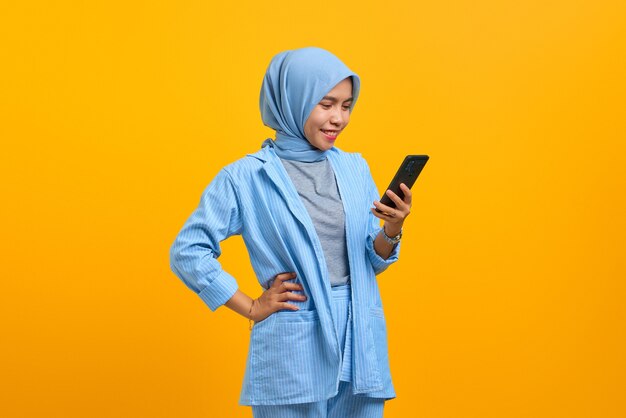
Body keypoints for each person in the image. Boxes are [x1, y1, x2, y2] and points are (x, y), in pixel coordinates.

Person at [170, 46, 412, 418]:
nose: (338, 119)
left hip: (360, 338)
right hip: (293, 343)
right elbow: (188, 251)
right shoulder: (245, 177)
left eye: (346, 106)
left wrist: (392, 228)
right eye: (326, 104)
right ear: (292, 100)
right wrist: (250, 306)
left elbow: (371, 261)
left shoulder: (354, 168)